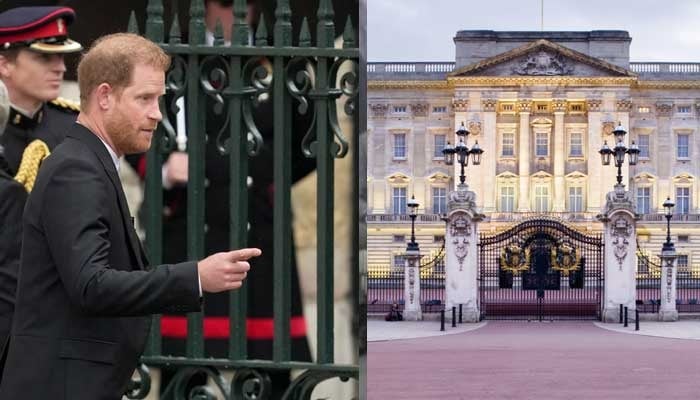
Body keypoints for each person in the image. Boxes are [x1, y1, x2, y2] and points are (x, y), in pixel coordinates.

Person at [0, 33, 261, 400]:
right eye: (144, 99)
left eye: (159, 100)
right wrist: (196, 277)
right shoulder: (76, 168)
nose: (157, 113)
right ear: (104, 96)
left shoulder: (90, 161)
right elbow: (90, 286)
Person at [125, 1, 312, 396]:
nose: (241, 13)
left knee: (269, 367)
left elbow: (308, 144)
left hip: (257, 227)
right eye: (229, 3)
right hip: (190, 224)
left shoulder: (283, 63)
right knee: (185, 369)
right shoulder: (170, 62)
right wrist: (160, 169)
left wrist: (269, 184)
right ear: (207, 7)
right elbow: (131, 131)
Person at [0, 5, 81, 378]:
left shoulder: (71, 127)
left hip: (58, 321)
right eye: (43, 57)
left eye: (62, 57)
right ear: (5, 64)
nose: (61, 68)